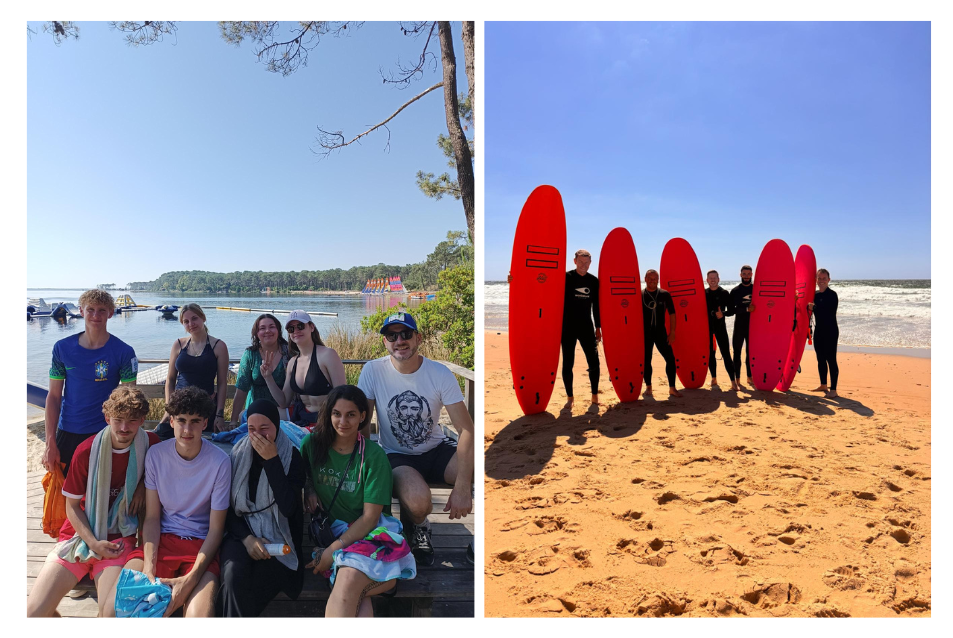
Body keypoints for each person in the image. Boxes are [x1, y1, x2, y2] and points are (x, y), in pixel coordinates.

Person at [28, 386, 159, 618]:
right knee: (34, 613)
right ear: (107, 418)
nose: (124, 428)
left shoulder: (152, 445)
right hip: (79, 535)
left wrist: (142, 483)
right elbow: (71, 506)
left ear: (142, 420)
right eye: (118, 420)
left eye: (132, 420)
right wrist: (93, 543)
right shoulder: (86, 451)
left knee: (109, 614)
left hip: (119, 537)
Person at [357, 312, 474, 566]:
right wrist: (365, 467)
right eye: (392, 336)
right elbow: (363, 425)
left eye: (406, 334)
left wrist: (463, 487)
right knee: (418, 503)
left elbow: (466, 430)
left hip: (437, 449)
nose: (399, 341)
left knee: (484, 469)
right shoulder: (373, 371)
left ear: (418, 338)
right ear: (385, 342)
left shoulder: (440, 373)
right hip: (397, 455)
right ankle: (419, 525)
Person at [302, 385, 416, 617]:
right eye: (336, 414)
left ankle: (386, 577)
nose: (343, 421)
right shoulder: (312, 445)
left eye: (351, 414)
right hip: (337, 537)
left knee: (348, 579)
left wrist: (331, 551)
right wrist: (310, 488)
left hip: (370, 536)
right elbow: (301, 473)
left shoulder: (374, 457)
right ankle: (378, 579)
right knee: (353, 590)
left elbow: (370, 518)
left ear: (363, 416)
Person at [122, 386, 231, 617]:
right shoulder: (156, 455)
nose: (187, 429)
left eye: (195, 421)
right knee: (119, 608)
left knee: (198, 617)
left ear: (205, 423)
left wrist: (190, 580)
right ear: (171, 421)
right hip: (162, 541)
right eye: (181, 420)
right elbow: (152, 518)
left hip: (200, 546)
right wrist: (149, 567)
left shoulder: (220, 462)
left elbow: (216, 530)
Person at [217, 399, 305, 617]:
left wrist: (272, 460)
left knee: (251, 586)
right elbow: (228, 508)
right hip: (242, 531)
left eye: (264, 428)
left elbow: (289, 509)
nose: (257, 436)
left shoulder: (292, 456)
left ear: (276, 426)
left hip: (279, 536)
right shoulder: (238, 454)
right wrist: (248, 539)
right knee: (232, 574)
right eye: (251, 429)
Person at [43, 289, 138, 475]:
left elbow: (129, 401)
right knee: (64, 490)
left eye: (102, 310)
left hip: (106, 432)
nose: (96, 315)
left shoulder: (125, 352)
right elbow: (53, 397)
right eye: (90, 309)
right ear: (81, 311)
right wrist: (50, 443)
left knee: (103, 489)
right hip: (69, 430)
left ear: (110, 313)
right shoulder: (62, 348)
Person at [260, 310, 346, 428]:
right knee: (254, 413)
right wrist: (268, 377)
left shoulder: (328, 355)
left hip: (325, 418)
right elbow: (284, 402)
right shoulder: (292, 362)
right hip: (301, 415)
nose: (296, 331)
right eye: (291, 329)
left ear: (311, 327)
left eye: (300, 326)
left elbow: (342, 396)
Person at [157, 303, 230, 440]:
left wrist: (219, 415)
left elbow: (222, 383)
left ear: (203, 318)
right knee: (164, 439)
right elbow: (170, 379)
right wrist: (168, 410)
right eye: (186, 321)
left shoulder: (219, 346)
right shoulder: (178, 344)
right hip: (179, 407)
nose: (191, 324)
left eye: (194, 318)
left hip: (205, 408)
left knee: (203, 445)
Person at [230, 313, 291, 425]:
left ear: (278, 330)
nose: (267, 331)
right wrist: (233, 421)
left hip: (282, 414)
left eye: (272, 327)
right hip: (254, 412)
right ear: (257, 334)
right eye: (262, 328)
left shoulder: (289, 354)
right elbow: (242, 390)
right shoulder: (250, 354)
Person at [560, 249, 602, 406]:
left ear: (590, 263)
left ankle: (595, 396)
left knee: (594, 362)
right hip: (567, 327)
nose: (584, 265)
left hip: (586, 326)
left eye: (586, 262)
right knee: (568, 362)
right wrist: (515, 279)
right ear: (575, 261)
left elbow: (596, 306)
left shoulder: (593, 281)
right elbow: (543, 286)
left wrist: (598, 327)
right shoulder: (565, 277)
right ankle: (570, 398)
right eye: (581, 262)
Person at [642, 270, 681, 398]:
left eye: (655, 278)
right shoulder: (640, 295)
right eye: (650, 278)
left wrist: (672, 332)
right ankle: (648, 387)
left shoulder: (664, 294)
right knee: (646, 360)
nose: (652, 281)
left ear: (658, 280)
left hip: (661, 332)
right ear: (645, 278)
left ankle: (672, 388)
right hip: (645, 334)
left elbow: (672, 313)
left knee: (670, 359)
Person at [705, 270, 740, 391]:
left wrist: (723, 313)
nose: (713, 280)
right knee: (710, 354)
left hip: (720, 328)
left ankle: (733, 382)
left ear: (718, 279)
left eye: (715, 278)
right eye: (710, 278)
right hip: (708, 329)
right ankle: (714, 379)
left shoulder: (724, 293)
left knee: (726, 354)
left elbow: (732, 310)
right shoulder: (704, 293)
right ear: (707, 280)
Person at [808, 269, 839, 398]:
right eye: (819, 278)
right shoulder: (814, 295)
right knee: (820, 358)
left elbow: (828, 312)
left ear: (828, 280)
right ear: (816, 280)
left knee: (831, 359)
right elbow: (806, 308)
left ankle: (834, 390)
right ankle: (823, 385)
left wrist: (813, 307)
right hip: (819, 330)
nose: (821, 281)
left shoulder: (832, 295)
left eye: (824, 278)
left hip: (831, 331)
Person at [729, 265, 755, 386]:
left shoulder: (756, 290)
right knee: (737, 352)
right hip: (739, 326)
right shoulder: (735, 291)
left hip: (753, 327)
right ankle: (737, 378)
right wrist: (746, 309)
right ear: (740, 275)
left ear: (752, 275)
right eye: (744, 274)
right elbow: (731, 310)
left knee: (751, 353)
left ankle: (750, 377)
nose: (746, 276)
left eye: (748, 274)